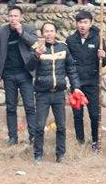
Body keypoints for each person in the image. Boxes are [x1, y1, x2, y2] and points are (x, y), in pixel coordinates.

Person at [28, 22, 81, 163]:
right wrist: (36, 55)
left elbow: (71, 69)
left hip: (58, 93)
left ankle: (60, 155)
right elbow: (29, 67)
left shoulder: (63, 47)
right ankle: (38, 155)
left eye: (52, 31)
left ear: (56, 33)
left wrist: (76, 86)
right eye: (46, 31)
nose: (49, 34)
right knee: (39, 126)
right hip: (42, 93)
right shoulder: (37, 48)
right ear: (42, 33)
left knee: (61, 126)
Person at [0, 5, 39, 147]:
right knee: (11, 107)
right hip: (9, 75)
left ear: (21, 17)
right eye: (11, 16)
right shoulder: (1, 31)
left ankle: (33, 137)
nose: (13, 19)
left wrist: (21, 32)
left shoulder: (29, 28)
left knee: (30, 106)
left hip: (25, 74)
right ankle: (12, 137)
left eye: (16, 16)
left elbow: (34, 44)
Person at [66, 10, 106, 152]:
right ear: (76, 24)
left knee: (94, 114)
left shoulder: (98, 39)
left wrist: (103, 56)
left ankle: (95, 141)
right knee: (77, 115)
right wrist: (73, 83)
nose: (82, 25)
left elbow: (104, 63)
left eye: (85, 22)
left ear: (90, 23)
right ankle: (80, 141)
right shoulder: (70, 40)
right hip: (76, 84)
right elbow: (68, 63)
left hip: (92, 83)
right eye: (80, 22)